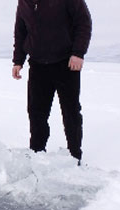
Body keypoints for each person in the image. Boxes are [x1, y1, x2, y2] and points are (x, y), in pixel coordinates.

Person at [12, 0, 92, 165]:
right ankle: (36, 152)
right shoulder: (24, 2)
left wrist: (78, 53)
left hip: (66, 62)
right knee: (36, 112)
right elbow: (20, 31)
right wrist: (18, 60)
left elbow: (83, 23)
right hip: (37, 64)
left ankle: (75, 156)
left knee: (71, 112)